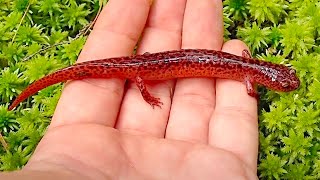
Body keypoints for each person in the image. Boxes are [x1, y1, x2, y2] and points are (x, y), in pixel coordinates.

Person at [1, 0, 259, 179]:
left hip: (145, 64)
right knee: (136, 73)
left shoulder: (247, 68)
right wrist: (146, 94)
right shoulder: (248, 71)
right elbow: (249, 89)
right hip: (142, 68)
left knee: (138, 70)